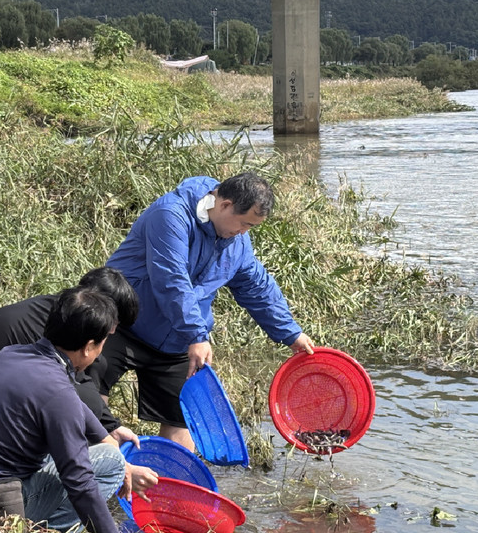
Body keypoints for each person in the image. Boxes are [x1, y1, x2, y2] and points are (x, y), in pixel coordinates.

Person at [99, 172, 316, 450]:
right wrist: (196, 335)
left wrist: (291, 334)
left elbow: (256, 286)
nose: (244, 232)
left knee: (181, 425)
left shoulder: (237, 242)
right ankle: (91, 478)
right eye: (244, 223)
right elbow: (171, 281)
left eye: (251, 227)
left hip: (177, 339)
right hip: (121, 323)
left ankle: (169, 489)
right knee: (93, 399)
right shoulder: (171, 215)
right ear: (224, 204)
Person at [0, 286, 140, 533]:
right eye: (102, 344)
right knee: (110, 463)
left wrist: (106, 437)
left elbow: (73, 404)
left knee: (100, 451)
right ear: (88, 347)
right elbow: (80, 482)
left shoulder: (11, 354)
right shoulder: (57, 392)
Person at [0, 266, 159, 499]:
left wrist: (109, 427)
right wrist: (114, 459)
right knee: (71, 458)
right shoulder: (51, 329)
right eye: (114, 322)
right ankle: (40, 513)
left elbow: (78, 382)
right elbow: (67, 394)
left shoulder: (62, 315)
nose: (113, 330)